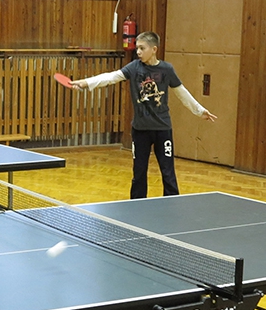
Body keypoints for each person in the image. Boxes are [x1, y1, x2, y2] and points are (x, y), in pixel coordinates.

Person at [71, 31, 216, 199]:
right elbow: (111, 77)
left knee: (168, 172)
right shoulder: (134, 68)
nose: (138, 52)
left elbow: (181, 92)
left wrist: (199, 111)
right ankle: (136, 205)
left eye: (142, 48)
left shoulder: (166, 69)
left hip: (162, 129)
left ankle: (172, 203)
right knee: (139, 172)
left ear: (154, 49)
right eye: (137, 48)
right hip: (140, 130)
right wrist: (85, 83)